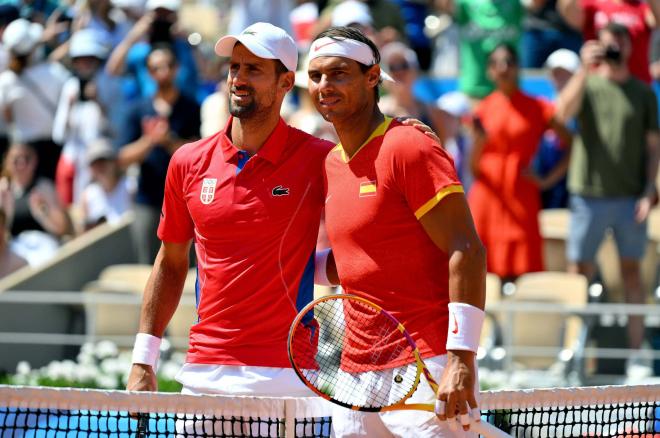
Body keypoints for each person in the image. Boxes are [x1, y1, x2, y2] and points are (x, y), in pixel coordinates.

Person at [125, 22, 437, 409]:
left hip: (286, 379)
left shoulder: (320, 158)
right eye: (235, 67)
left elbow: (374, 233)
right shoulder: (187, 162)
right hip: (203, 374)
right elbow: (170, 264)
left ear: (286, 82)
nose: (239, 78)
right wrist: (143, 358)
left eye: (254, 69)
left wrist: (398, 133)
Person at [306, 26, 486, 436]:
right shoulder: (331, 162)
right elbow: (359, 260)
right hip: (356, 372)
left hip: (426, 360)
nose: (324, 86)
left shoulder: (410, 146)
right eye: (315, 76)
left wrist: (462, 358)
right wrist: (287, 265)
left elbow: (467, 249)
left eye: (338, 73)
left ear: (372, 78)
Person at [555, 22, 660, 368]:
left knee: (633, 273)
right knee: (579, 271)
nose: (613, 50)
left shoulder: (643, 92)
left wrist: (649, 190)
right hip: (588, 195)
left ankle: (635, 356)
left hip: (630, 197)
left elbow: (653, 147)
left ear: (630, 48)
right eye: (607, 45)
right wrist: (584, 69)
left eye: (618, 45)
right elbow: (561, 114)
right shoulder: (587, 84)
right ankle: (572, 351)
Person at [468, 43, 571, 282]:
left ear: (518, 67)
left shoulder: (538, 107)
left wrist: (547, 180)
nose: (503, 68)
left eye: (509, 62)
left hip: (521, 192)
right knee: (483, 271)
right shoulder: (482, 109)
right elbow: (474, 168)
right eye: (496, 63)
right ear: (489, 71)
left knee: (523, 271)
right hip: (488, 196)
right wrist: (479, 143)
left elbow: (571, 144)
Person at [116, 44, 200, 264]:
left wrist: (169, 141)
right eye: (156, 67)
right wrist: (150, 141)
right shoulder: (138, 109)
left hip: (184, 200)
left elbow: (199, 153)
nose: (163, 71)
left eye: (168, 66)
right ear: (149, 72)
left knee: (187, 264)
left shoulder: (190, 107)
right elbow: (122, 157)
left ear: (177, 68)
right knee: (147, 265)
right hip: (148, 199)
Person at [0, 18, 70, 181]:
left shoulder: (6, 82)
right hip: (55, 148)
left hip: (25, 152)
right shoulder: (55, 72)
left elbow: (8, 118)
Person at [558, 0, 660, 83]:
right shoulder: (594, 4)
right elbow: (570, 13)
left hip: (636, 86)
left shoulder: (642, 8)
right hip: (599, 85)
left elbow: (657, 21)